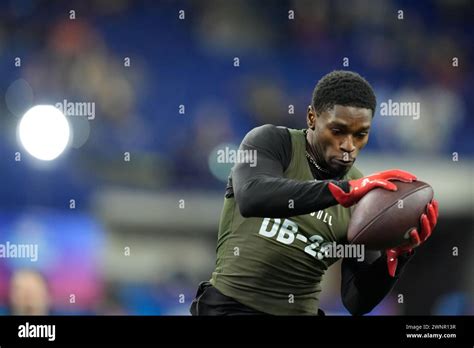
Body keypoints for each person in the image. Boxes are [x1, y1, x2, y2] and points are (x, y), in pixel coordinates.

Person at [190, 70, 438, 316]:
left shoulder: (364, 197)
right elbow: (251, 197)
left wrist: (396, 256)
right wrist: (343, 191)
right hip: (230, 308)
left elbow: (355, 301)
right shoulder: (272, 142)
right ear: (312, 118)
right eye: (338, 131)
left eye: (360, 134)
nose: (348, 146)